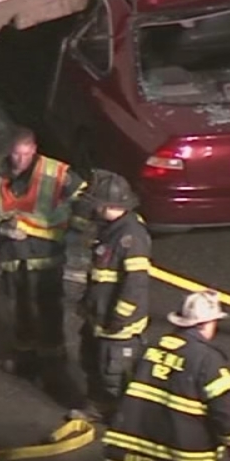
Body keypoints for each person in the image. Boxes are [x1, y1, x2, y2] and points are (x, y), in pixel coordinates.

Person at [0, 125, 88, 382]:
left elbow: (84, 199)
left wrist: (73, 232)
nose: (21, 160)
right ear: (9, 151)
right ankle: (25, 355)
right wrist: (1, 227)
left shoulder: (56, 172)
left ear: (34, 150)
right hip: (12, 253)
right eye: (16, 154)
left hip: (46, 254)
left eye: (26, 154)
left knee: (49, 307)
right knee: (19, 307)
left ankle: (53, 358)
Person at [103, 290, 230, 461]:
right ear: (205, 323)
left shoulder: (151, 347)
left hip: (143, 448)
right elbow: (222, 408)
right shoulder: (207, 360)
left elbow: (126, 388)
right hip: (186, 453)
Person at [71, 170, 152, 424]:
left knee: (115, 373)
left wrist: (120, 315)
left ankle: (124, 419)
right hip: (99, 317)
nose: (92, 210)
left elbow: (135, 283)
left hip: (119, 326)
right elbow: (101, 276)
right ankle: (98, 407)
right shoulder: (111, 230)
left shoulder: (131, 237)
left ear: (107, 205)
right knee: (93, 363)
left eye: (95, 204)